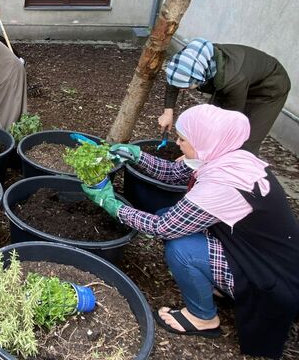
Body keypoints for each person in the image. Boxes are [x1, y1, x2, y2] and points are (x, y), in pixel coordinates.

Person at [83, 104, 299, 359]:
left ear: (204, 140)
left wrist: (111, 204)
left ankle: (202, 318)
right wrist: (136, 155)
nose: (177, 142)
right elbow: (174, 172)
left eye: (183, 139)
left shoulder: (221, 186)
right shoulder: (226, 155)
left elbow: (161, 228)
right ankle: (217, 284)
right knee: (167, 214)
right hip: (255, 253)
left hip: (267, 278)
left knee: (181, 248)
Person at [158, 38, 290, 153]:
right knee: (209, 123)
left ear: (200, 77)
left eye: (186, 86)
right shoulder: (191, 57)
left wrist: (196, 153)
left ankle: (238, 177)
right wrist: (168, 112)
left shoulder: (232, 81)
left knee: (244, 141)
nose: (183, 89)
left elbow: (230, 122)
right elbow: (175, 78)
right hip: (242, 79)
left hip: (269, 89)